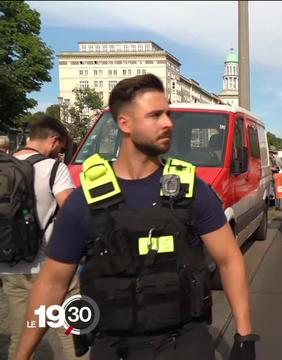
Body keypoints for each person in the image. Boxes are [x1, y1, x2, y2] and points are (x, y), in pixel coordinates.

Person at [15, 75, 258, 360]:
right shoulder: (84, 202)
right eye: (155, 115)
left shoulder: (192, 191)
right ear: (124, 124)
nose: (168, 123)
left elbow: (229, 260)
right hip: (114, 346)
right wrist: (22, 354)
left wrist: (244, 336)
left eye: (167, 113)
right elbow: (52, 283)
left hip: (186, 343)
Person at [0, 116, 82, 360]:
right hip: (52, 265)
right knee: (72, 332)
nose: (61, 153)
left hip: (10, 265)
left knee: (21, 335)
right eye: (63, 148)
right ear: (54, 140)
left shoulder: (5, 167)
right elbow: (73, 213)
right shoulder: (55, 169)